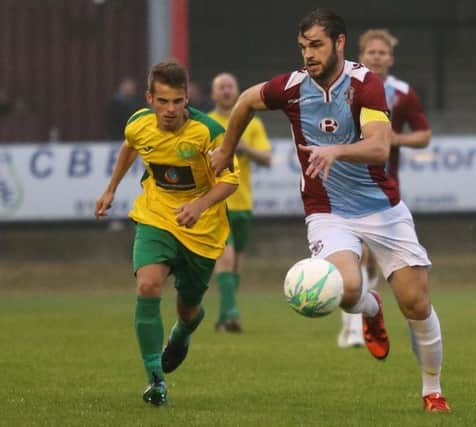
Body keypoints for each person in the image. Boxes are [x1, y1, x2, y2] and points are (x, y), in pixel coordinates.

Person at [210, 9, 450, 412]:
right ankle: (370, 308)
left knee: (416, 303)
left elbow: (379, 146)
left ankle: (432, 390)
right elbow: (247, 101)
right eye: (303, 47)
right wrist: (226, 149)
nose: (308, 54)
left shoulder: (364, 85)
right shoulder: (290, 87)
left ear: (339, 43)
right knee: (347, 289)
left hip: (382, 208)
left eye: (316, 45)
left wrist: (336, 150)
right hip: (328, 210)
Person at [94, 59, 239, 406]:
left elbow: (230, 181)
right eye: (163, 101)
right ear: (149, 98)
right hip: (157, 216)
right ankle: (155, 379)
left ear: (187, 99)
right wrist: (111, 188)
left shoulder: (209, 132)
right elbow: (131, 145)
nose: (171, 109)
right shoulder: (138, 124)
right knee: (147, 284)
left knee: (188, 310)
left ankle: (183, 333)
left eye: (178, 101)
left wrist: (199, 206)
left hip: (201, 230)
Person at [337, 29, 432, 349]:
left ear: (390, 58)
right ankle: (351, 328)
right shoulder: (344, 86)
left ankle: (364, 303)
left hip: (383, 187)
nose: (376, 58)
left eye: (382, 53)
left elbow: (423, 134)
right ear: (360, 55)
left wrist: (395, 140)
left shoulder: (403, 93)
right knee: (356, 254)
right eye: (371, 53)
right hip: (347, 183)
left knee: (372, 261)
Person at [208, 72, 272, 332]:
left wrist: (241, 146)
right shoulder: (206, 124)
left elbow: (266, 158)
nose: (225, 91)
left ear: (237, 92)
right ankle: (232, 313)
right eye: (220, 87)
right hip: (216, 203)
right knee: (225, 257)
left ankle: (224, 318)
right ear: (213, 94)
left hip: (243, 203)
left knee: (235, 263)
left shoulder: (252, 123)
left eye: (229, 86)